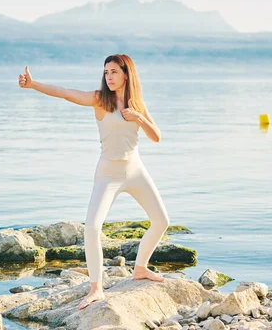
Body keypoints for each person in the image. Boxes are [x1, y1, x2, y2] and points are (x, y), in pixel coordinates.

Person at [18, 54, 170, 310]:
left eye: (114, 72)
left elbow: (156, 137)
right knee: (91, 227)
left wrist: (139, 118)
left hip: (135, 171)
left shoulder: (137, 103)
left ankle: (140, 267)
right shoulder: (100, 99)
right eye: (106, 72)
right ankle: (96, 288)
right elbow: (65, 93)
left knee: (162, 221)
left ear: (126, 74)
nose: (109, 77)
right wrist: (34, 85)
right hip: (108, 174)